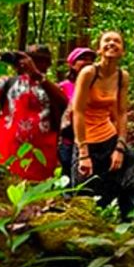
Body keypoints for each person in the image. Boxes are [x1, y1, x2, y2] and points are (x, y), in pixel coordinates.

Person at [72, 31, 134, 227]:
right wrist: (83, 153)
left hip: (109, 138)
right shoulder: (88, 73)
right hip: (86, 142)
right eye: (107, 41)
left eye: (116, 41)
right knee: (89, 196)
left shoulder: (121, 77)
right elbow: (78, 111)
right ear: (99, 49)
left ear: (123, 51)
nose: (112, 43)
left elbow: (122, 112)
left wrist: (120, 146)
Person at [0, 45, 67, 181]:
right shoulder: (7, 82)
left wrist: (36, 75)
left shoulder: (53, 87)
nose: (31, 63)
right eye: (28, 58)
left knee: (38, 197)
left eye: (38, 59)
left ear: (48, 64)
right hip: (7, 153)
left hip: (42, 157)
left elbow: (64, 103)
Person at [57, 47, 96, 178]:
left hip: (93, 138)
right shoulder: (62, 87)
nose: (88, 62)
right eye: (83, 59)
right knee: (68, 172)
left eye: (91, 59)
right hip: (69, 140)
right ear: (72, 64)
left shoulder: (98, 86)